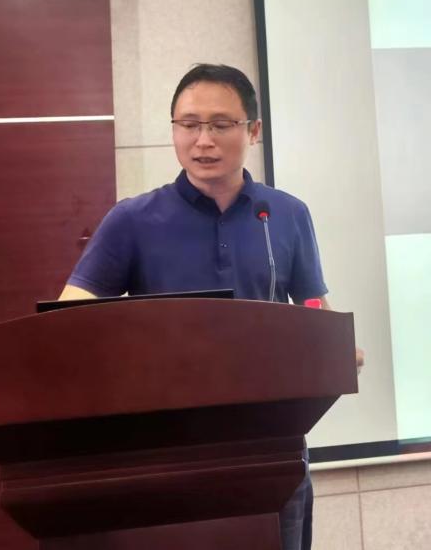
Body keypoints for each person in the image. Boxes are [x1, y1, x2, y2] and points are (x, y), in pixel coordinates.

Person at [59, 63, 359, 550]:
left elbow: (313, 311)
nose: (203, 141)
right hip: (168, 454)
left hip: (273, 449)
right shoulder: (132, 220)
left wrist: (337, 348)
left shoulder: (284, 214)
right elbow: (67, 325)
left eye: (221, 125)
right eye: (189, 124)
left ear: (253, 131)